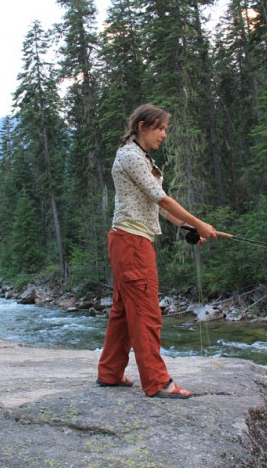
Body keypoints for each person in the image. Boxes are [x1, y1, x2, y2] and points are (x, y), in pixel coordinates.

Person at [96, 103, 223, 399]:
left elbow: (155, 205)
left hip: (126, 240)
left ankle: (110, 372)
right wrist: (200, 223)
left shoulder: (138, 156)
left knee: (123, 311)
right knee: (146, 313)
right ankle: (157, 382)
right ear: (142, 126)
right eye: (161, 128)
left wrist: (185, 227)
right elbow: (161, 198)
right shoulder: (131, 156)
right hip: (132, 244)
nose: (164, 135)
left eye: (166, 129)